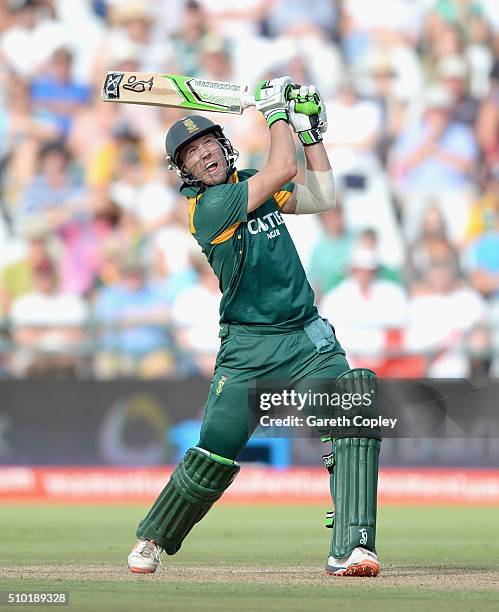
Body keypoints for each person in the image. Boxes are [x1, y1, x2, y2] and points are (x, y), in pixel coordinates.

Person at [127, 78, 382, 577]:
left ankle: (352, 547)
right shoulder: (211, 210)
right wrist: (274, 112)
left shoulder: (250, 184)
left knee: (355, 405)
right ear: (183, 172)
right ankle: (153, 537)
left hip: (307, 338)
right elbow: (283, 166)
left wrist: (310, 133)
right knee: (214, 453)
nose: (203, 156)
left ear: (223, 146)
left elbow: (322, 197)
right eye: (191, 154)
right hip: (247, 348)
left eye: (207, 144)